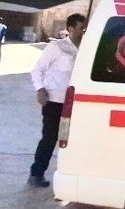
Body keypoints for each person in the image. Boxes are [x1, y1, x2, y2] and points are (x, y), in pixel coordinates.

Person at [27, 13, 87, 188]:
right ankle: (36, 173)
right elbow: (37, 69)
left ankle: (71, 177)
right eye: (81, 28)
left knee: (73, 140)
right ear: (70, 29)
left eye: (85, 28)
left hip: (76, 102)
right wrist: (40, 89)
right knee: (49, 139)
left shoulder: (87, 48)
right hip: (54, 101)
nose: (83, 31)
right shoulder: (56, 47)